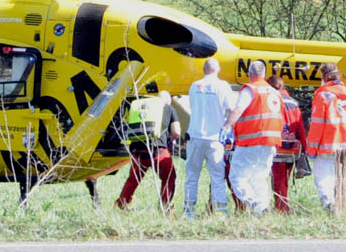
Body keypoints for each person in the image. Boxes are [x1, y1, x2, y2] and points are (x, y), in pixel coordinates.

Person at [221, 60, 283, 214]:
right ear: (263, 74)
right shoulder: (274, 92)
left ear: (250, 74)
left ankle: (256, 204)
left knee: (236, 177)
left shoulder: (250, 90)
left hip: (251, 141)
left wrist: (226, 126)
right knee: (259, 178)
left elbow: (238, 109)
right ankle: (263, 210)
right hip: (271, 143)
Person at [306, 63, 346, 212]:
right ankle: (345, 206)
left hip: (328, 146)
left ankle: (329, 205)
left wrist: (312, 150)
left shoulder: (323, 96)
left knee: (323, 177)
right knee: (344, 177)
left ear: (324, 77)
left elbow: (317, 125)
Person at [183, 57, 234, 217]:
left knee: (192, 175)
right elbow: (231, 109)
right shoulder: (222, 86)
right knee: (217, 176)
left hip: (196, 135)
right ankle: (220, 212)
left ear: (204, 70)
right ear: (218, 70)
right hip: (215, 138)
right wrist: (226, 126)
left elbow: (193, 106)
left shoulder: (194, 86)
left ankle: (189, 212)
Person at [115, 90, 181, 212]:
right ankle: (165, 206)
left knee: (133, 179)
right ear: (168, 100)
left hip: (138, 151)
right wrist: (168, 140)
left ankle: (122, 203)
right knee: (169, 177)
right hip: (159, 151)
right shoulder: (168, 108)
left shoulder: (141, 108)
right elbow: (176, 132)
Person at [267, 75, 307, 213]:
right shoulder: (293, 102)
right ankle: (282, 205)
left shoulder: (271, 101)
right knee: (283, 179)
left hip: (277, 146)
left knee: (278, 179)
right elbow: (300, 128)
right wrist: (303, 150)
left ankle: (281, 208)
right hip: (292, 148)